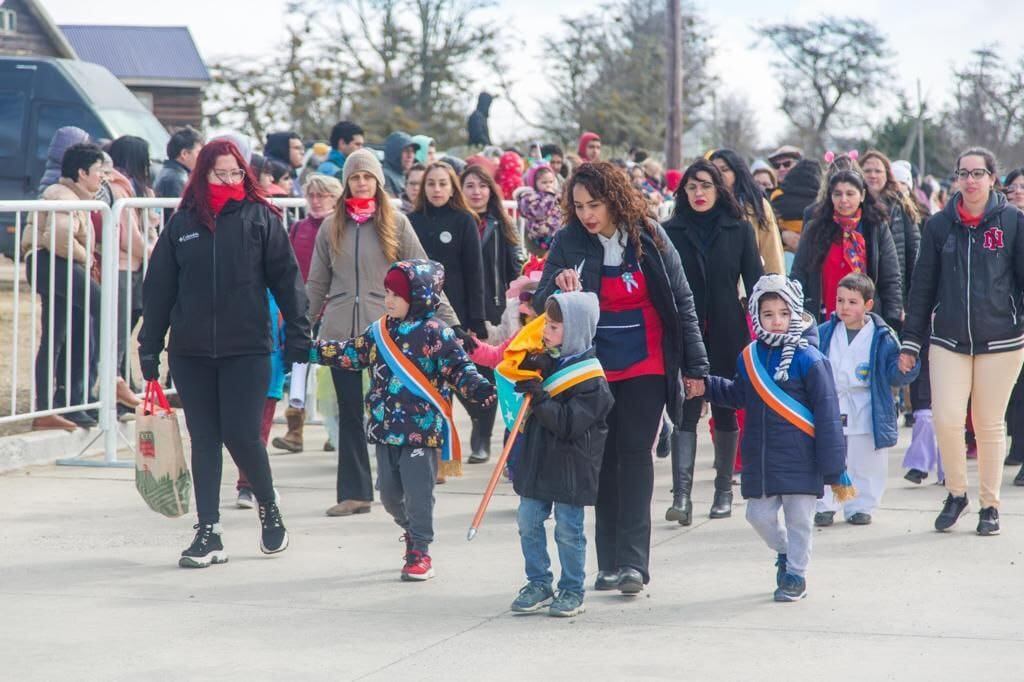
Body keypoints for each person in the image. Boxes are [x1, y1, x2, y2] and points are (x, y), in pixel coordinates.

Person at [533, 161, 708, 594]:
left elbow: (682, 301)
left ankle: (633, 563)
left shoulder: (650, 235)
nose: (588, 214)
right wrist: (558, 285)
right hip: (593, 368)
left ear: (615, 199)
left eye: (595, 204)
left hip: (647, 362)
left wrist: (696, 366)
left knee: (634, 455)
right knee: (603, 459)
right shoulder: (568, 240)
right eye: (579, 206)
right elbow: (541, 302)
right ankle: (607, 563)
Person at [138, 138, 311, 568]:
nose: (230, 180)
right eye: (221, 173)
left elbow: (287, 280)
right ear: (203, 175)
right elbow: (159, 289)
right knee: (205, 439)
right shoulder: (183, 224)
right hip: (192, 351)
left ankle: (269, 508)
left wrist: (299, 336)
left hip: (248, 347)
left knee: (242, 434)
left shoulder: (261, 218)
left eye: (237, 172)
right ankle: (208, 531)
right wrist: (150, 345)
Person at [313, 259, 495, 581]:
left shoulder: (435, 332)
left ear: (420, 295)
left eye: (397, 294)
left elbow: (458, 367)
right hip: (385, 428)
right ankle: (411, 530)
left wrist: (477, 387)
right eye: (387, 293)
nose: (389, 300)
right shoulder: (379, 331)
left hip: (421, 431)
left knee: (418, 493)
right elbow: (352, 353)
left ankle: (420, 551)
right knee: (389, 495)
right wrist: (314, 351)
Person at [306, 149, 460, 517]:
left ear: (378, 182)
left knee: (388, 410)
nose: (361, 183)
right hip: (341, 329)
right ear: (346, 183)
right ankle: (355, 492)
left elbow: (424, 276)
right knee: (348, 413)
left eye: (368, 177)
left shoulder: (397, 224)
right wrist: (301, 327)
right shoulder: (331, 227)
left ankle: (396, 483)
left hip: (388, 335)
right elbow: (316, 283)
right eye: (355, 177)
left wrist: (449, 321)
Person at [899, 147, 1024, 536]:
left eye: (978, 173)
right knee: (947, 419)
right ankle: (956, 494)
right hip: (948, 338)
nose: (970, 181)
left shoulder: (1013, 222)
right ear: (956, 178)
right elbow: (922, 287)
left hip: (1002, 339)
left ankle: (990, 505)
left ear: (992, 178)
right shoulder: (938, 226)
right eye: (963, 173)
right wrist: (910, 342)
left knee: (988, 425)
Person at [704, 274, 846, 602]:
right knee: (758, 516)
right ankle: (784, 552)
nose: (777, 320)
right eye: (768, 314)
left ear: (795, 312)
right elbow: (740, 394)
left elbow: (827, 413)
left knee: (800, 522)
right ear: (756, 316)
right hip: (763, 458)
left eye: (783, 313)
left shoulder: (811, 359)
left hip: (802, 459)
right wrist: (708, 386)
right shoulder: (749, 357)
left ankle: (796, 575)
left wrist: (834, 466)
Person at [662, 159, 764, 522]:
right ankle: (682, 498)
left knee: (724, 408)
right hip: (686, 333)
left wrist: (765, 329)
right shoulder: (669, 231)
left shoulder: (738, 229)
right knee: (685, 410)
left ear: (719, 189)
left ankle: (723, 491)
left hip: (726, 330)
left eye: (705, 185)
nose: (698, 193)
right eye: (691, 187)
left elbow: (756, 285)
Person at [509, 291, 613, 617]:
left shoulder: (593, 382)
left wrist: (540, 399)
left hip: (571, 468)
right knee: (528, 520)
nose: (545, 332)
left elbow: (569, 424)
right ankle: (538, 582)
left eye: (554, 327)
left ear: (577, 330)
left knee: (569, 530)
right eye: (547, 325)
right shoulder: (548, 362)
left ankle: (571, 588)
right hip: (538, 462)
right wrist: (531, 370)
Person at [814, 273, 919, 526]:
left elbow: (894, 374)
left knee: (866, 460)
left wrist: (906, 366)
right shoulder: (824, 332)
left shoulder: (882, 336)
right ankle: (827, 503)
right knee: (831, 456)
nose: (844, 307)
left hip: (867, 404)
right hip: (833, 402)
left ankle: (859, 506)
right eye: (840, 301)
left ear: (868, 305)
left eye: (852, 302)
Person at [26, 143, 103, 430]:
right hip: (56, 262)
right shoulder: (62, 195)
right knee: (103, 307)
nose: (102, 178)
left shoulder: (76, 196)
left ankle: (62, 404)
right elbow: (59, 239)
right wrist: (88, 259)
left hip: (58, 264)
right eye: (98, 171)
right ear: (82, 172)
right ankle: (69, 400)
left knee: (60, 334)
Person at [271, 173, 344, 455]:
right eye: (311, 195)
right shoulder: (299, 227)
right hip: (301, 307)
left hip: (333, 307)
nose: (315, 200)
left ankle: (334, 429)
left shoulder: (341, 228)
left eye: (322, 195)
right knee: (299, 368)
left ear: (335, 198)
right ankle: (294, 429)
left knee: (331, 371)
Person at [460, 164, 525, 463]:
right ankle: (479, 423)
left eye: (482, 186)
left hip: (495, 313)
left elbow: (516, 271)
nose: (476, 192)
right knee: (462, 377)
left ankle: (482, 437)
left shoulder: (502, 226)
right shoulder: (459, 223)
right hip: (462, 311)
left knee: (489, 378)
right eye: (470, 185)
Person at [791, 169, 903, 328]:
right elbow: (799, 273)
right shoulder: (815, 229)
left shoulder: (875, 227)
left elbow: (890, 277)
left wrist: (893, 317)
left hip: (866, 320)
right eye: (837, 194)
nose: (843, 200)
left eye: (850, 194)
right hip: (824, 317)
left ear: (862, 195)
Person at [409, 162, 488, 344]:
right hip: (418, 309)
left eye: (443, 183)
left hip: (456, 309)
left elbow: (474, 271)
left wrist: (477, 318)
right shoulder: (411, 221)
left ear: (453, 188)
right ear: (424, 188)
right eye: (431, 183)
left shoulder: (464, 220)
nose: (437, 189)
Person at [860, 150, 921, 314]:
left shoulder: (899, 204)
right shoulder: (854, 206)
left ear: (887, 174)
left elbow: (914, 252)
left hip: (895, 287)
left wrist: (908, 298)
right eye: (867, 171)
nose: (873, 175)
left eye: (878, 171)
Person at [710, 149, 786, 274]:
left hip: (750, 285)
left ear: (736, 172)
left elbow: (772, 252)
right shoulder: (705, 206)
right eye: (713, 171)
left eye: (724, 170)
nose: (719, 175)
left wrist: (775, 286)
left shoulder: (757, 205)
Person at [1002, 168, 1024, 474]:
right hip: (1009, 314)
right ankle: (1018, 444)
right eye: (1013, 187)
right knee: (1016, 389)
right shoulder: (1001, 225)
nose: (1018, 191)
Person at [517, 164, 563, 256]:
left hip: (554, 234)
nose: (548, 185)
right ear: (534, 182)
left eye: (551, 182)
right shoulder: (531, 197)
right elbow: (540, 213)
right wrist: (549, 196)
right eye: (544, 182)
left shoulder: (554, 194)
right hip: (539, 237)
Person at [155, 127, 203, 198]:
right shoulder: (176, 179)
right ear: (184, 154)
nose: (202, 157)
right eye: (199, 152)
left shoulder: (169, 173)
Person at [264, 131, 304, 196]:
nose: (302, 152)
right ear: (282, 149)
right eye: (297, 148)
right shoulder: (270, 171)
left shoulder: (292, 173)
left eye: (302, 148)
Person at [382, 131, 419, 197]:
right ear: (394, 152)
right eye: (406, 151)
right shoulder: (384, 177)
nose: (410, 156)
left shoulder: (407, 175)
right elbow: (389, 204)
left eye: (413, 151)